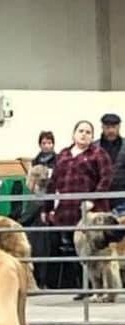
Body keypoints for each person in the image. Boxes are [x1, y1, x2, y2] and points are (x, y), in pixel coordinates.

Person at [42, 120, 112, 294]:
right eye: (81, 131)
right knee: (71, 249)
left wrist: (94, 199)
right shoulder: (64, 154)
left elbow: (106, 178)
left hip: (91, 212)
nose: (84, 134)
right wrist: (47, 208)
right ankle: (81, 287)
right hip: (66, 211)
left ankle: (98, 289)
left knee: (94, 251)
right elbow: (53, 182)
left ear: (92, 136)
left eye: (88, 132)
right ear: (74, 134)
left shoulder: (98, 154)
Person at [95, 113, 125, 215]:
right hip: (99, 196)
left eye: (114, 127)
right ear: (102, 127)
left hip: (122, 196)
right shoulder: (94, 147)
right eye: (108, 127)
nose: (111, 130)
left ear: (119, 127)